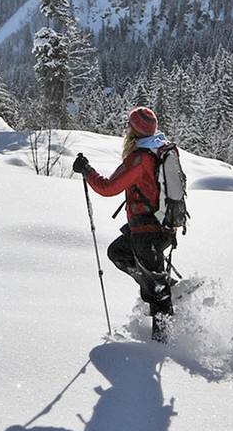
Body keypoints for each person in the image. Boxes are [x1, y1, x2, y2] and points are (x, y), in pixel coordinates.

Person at [73, 106, 181, 324]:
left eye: (129, 126)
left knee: (157, 296)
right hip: (163, 228)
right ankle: (161, 283)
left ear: (134, 131)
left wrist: (87, 171)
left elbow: (107, 188)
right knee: (118, 252)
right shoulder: (162, 150)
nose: (126, 129)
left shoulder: (140, 159)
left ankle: (162, 343)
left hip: (147, 232)